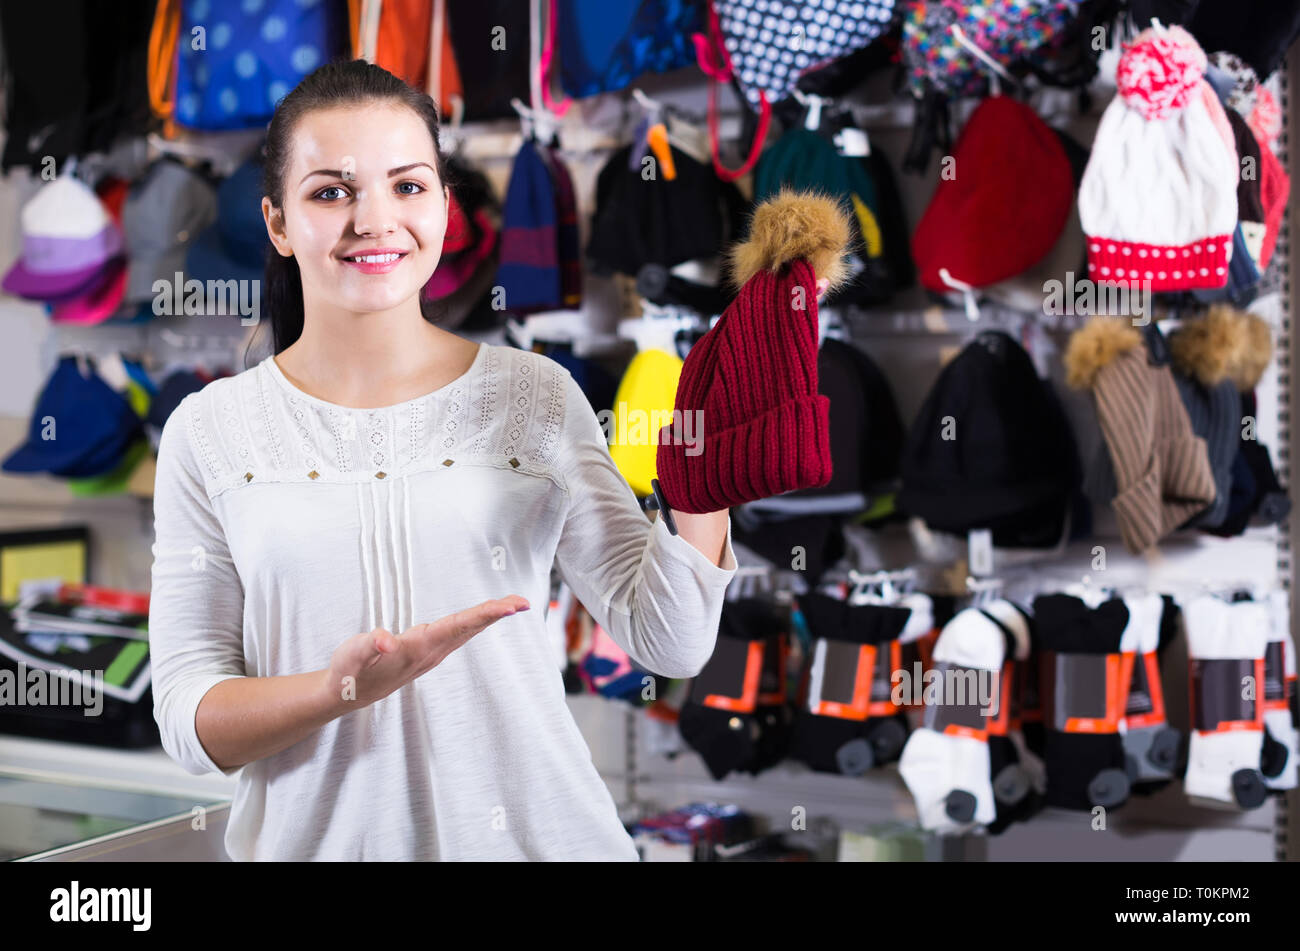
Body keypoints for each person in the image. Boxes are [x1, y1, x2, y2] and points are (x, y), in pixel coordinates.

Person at [147, 59, 738, 861]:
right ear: (277, 224)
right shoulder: (208, 431)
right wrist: (335, 692)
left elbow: (668, 642)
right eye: (330, 191)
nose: (375, 219)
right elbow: (189, 718)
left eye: (409, 185)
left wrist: (706, 478)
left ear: (446, 205)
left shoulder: (536, 394)